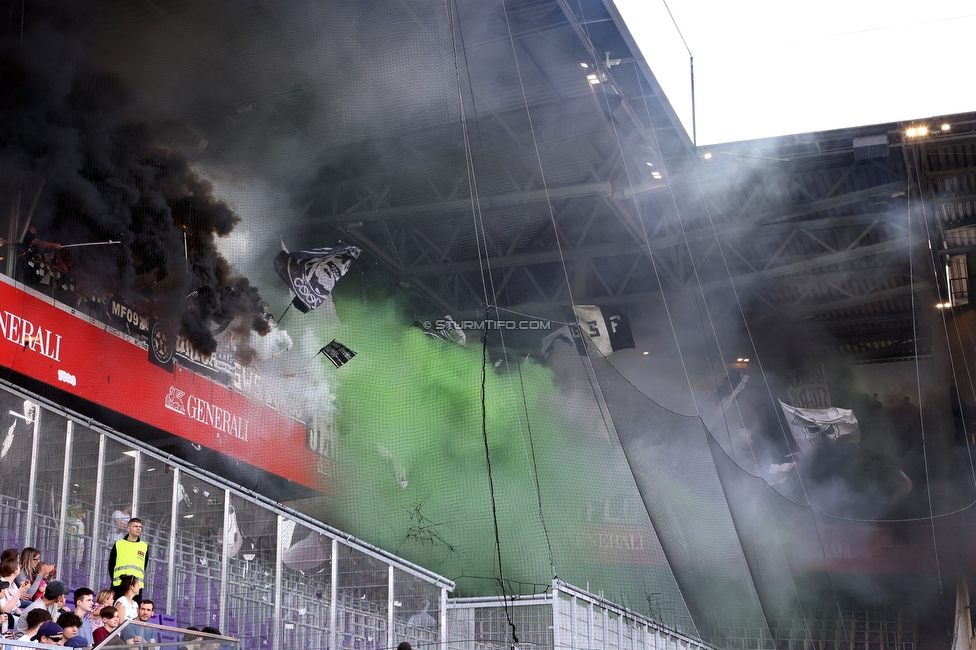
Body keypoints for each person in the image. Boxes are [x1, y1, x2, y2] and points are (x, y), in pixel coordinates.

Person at [108, 518, 148, 601]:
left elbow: (144, 566)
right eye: (135, 526)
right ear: (128, 528)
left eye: (140, 527)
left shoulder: (144, 546)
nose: (138, 528)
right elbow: (111, 565)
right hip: (119, 585)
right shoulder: (119, 544)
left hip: (136, 587)